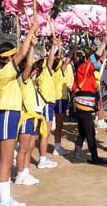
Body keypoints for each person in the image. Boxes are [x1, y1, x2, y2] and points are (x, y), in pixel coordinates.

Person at [0, 21, 38, 206]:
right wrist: (30, 32)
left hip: (11, 116)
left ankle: (6, 198)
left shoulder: (8, 73)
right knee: (6, 160)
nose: (14, 59)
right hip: (6, 116)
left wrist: (32, 46)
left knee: (7, 159)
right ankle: (4, 200)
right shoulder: (2, 73)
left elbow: (26, 62)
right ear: (6, 58)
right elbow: (21, 56)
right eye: (11, 57)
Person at [71, 40, 107, 165]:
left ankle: (76, 156)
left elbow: (100, 60)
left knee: (83, 131)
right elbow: (96, 58)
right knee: (90, 132)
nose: (99, 62)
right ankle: (95, 158)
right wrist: (104, 44)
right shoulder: (85, 68)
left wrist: (105, 50)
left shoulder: (88, 71)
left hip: (83, 106)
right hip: (83, 106)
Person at [15, 36, 45, 186]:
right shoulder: (23, 78)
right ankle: (20, 174)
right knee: (24, 148)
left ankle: (25, 172)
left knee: (30, 146)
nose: (35, 71)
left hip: (33, 117)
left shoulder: (30, 81)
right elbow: (28, 65)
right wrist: (32, 47)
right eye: (33, 69)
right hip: (25, 116)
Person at [34, 39, 59, 170]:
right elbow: (50, 60)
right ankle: (42, 159)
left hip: (43, 104)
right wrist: (53, 46)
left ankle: (42, 157)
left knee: (41, 133)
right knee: (45, 133)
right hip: (46, 105)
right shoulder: (45, 72)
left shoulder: (38, 75)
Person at [52, 45, 75, 156]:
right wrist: (72, 50)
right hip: (60, 98)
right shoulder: (59, 70)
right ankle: (57, 147)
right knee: (59, 125)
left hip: (52, 97)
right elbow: (67, 61)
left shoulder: (48, 68)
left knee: (50, 125)